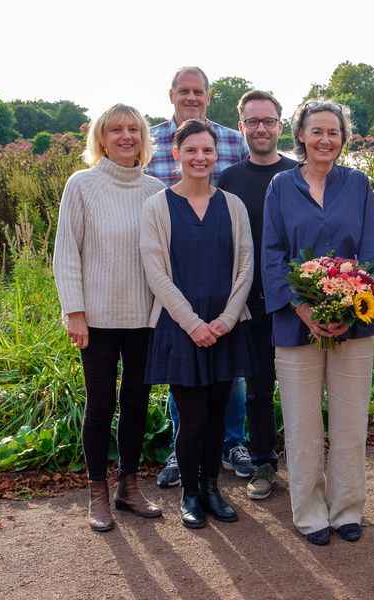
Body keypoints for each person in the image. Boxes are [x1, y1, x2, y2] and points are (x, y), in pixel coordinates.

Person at [262, 99, 374, 546]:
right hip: (296, 326)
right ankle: (310, 512)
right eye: (316, 131)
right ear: (300, 135)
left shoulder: (357, 184)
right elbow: (273, 255)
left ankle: (347, 508)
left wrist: (351, 305)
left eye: (333, 132)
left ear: (343, 138)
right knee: (301, 424)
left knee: (350, 421)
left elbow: (373, 251)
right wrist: (304, 309)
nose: (325, 140)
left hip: (353, 324)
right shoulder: (280, 186)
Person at [53, 104, 165, 532]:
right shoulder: (81, 185)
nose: (126, 136)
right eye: (115, 129)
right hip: (96, 319)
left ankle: (128, 486)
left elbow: (162, 260)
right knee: (100, 405)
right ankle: (97, 490)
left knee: (137, 402)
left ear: (143, 137)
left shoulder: (156, 189)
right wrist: (74, 313)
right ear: (100, 138)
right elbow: (66, 254)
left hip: (143, 319)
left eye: (133, 129)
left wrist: (160, 314)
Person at [140, 119, 253, 529]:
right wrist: (192, 324)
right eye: (191, 150)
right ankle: (189, 493)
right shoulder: (157, 207)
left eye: (207, 150)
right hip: (181, 328)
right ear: (177, 154)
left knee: (218, 415)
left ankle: (211, 488)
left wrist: (223, 321)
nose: (200, 157)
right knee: (192, 418)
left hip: (225, 328)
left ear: (215, 155)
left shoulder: (233, 205)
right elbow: (157, 274)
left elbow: (245, 267)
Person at [217, 90, 299, 500]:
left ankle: (307, 465)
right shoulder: (230, 178)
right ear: (242, 128)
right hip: (249, 304)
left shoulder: (298, 174)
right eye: (252, 122)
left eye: (268, 121)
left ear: (280, 126)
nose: (261, 128)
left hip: (298, 303)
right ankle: (264, 462)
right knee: (258, 388)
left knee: (302, 387)